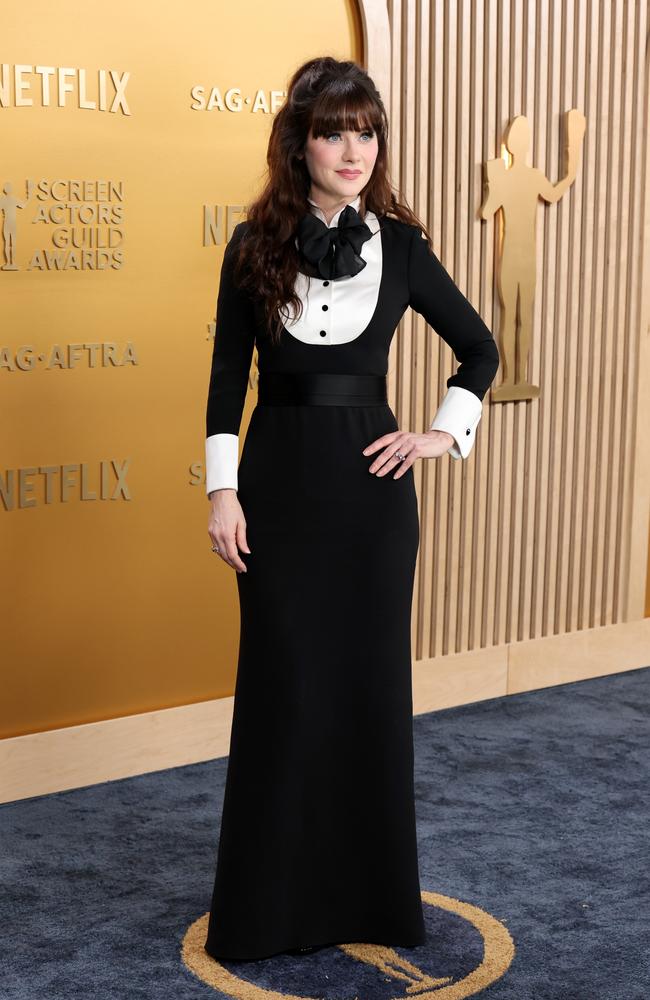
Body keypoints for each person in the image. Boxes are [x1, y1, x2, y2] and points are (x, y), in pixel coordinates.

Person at [203, 56, 500, 963]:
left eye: (366, 131)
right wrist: (221, 490)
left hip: (374, 505)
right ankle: (269, 909)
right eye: (334, 131)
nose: (354, 149)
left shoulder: (403, 246)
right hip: (279, 491)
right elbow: (225, 386)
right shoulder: (252, 245)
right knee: (285, 693)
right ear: (300, 143)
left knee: (368, 695)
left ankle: (371, 901)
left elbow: (479, 353)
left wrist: (438, 437)